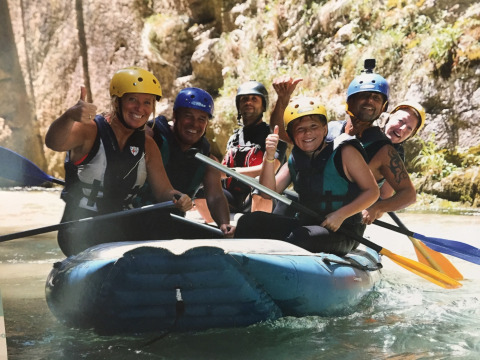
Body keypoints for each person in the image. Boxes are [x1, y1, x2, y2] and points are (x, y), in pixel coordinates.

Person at [45, 66, 192, 256]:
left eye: (147, 102)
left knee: (161, 221)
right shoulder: (89, 130)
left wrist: (179, 197)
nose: (140, 108)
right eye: (133, 100)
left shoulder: (147, 145)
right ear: (117, 101)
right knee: (105, 232)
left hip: (121, 223)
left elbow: (164, 190)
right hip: (81, 226)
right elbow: (54, 142)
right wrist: (68, 117)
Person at [269, 60, 417, 224]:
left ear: (383, 107)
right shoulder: (329, 129)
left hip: (343, 222)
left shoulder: (384, 150)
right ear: (349, 102)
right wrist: (282, 99)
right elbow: (281, 133)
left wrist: (377, 207)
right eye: (363, 96)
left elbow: (408, 194)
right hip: (310, 209)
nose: (369, 101)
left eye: (376, 98)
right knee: (283, 203)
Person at [235, 97, 379, 256]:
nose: (308, 133)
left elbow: (372, 191)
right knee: (248, 222)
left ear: (325, 130)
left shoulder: (345, 152)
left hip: (343, 230)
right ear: (291, 135)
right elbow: (267, 193)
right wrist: (269, 157)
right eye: (300, 129)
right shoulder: (296, 159)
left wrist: (341, 215)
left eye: (313, 126)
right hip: (308, 224)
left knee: (301, 238)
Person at [144, 87, 235, 237]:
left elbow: (216, 196)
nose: (194, 124)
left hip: (172, 224)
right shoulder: (152, 135)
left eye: (201, 119)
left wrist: (224, 224)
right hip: (138, 216)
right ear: (175, 116)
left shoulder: (206, 159)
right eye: (188, 116)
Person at [196, 80, 287, 218]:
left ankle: (257, 229)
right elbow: (221, 171)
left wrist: (230, 172)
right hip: (234, 198)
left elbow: (273, 167)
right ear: (238, 105)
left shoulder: (272, 135)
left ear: (263, 106)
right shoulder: (234, 138)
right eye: (244, 99)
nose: (248, 102)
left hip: (262, 196)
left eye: (254, 99)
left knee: (259, 187)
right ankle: (217, 229)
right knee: (202, 191)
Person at [377, 100, 426, 199]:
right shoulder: (365, 131)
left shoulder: (396, 156)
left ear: (410, 136)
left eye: (409, 128)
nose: (403, 128)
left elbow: (385, 195)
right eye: (400, 121)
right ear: (388, 118)